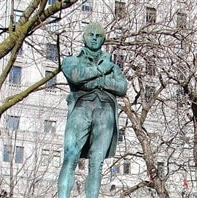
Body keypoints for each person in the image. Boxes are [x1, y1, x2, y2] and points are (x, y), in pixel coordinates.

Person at [58, 22, 127, 198]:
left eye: (98, 35)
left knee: (97, 162)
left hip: (105, 111)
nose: (95, 38)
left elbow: (122, 87)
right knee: (70, 157)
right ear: (84, 37)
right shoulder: (71, 60)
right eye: (91, 35)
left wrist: (100, 82)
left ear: (103, 39)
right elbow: (76, 76)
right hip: (82, 107)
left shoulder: (112, 66)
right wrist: (100, 70)